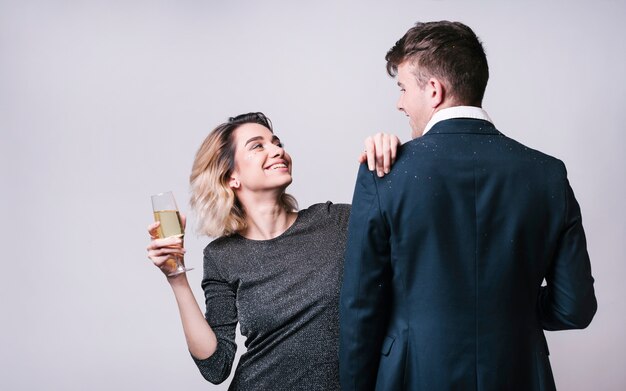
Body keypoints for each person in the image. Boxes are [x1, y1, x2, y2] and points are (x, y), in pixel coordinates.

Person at [339, 21, 597, 391]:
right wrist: (514, 306)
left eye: (402, 88)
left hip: (412, 377)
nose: (399, 103)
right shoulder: (548, 174)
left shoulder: (383, 174)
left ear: (433, 90)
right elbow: (575, 307)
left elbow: (361, 309)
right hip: (520, 374)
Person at [146, 112, 399, 390]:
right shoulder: (221, 256)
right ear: (231, 177)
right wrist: (176, 278)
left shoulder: (337, 222)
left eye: (277, 143)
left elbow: (406, 243)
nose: (278, 150)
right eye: (258, 146)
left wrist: (393, 161)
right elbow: (216, 367)